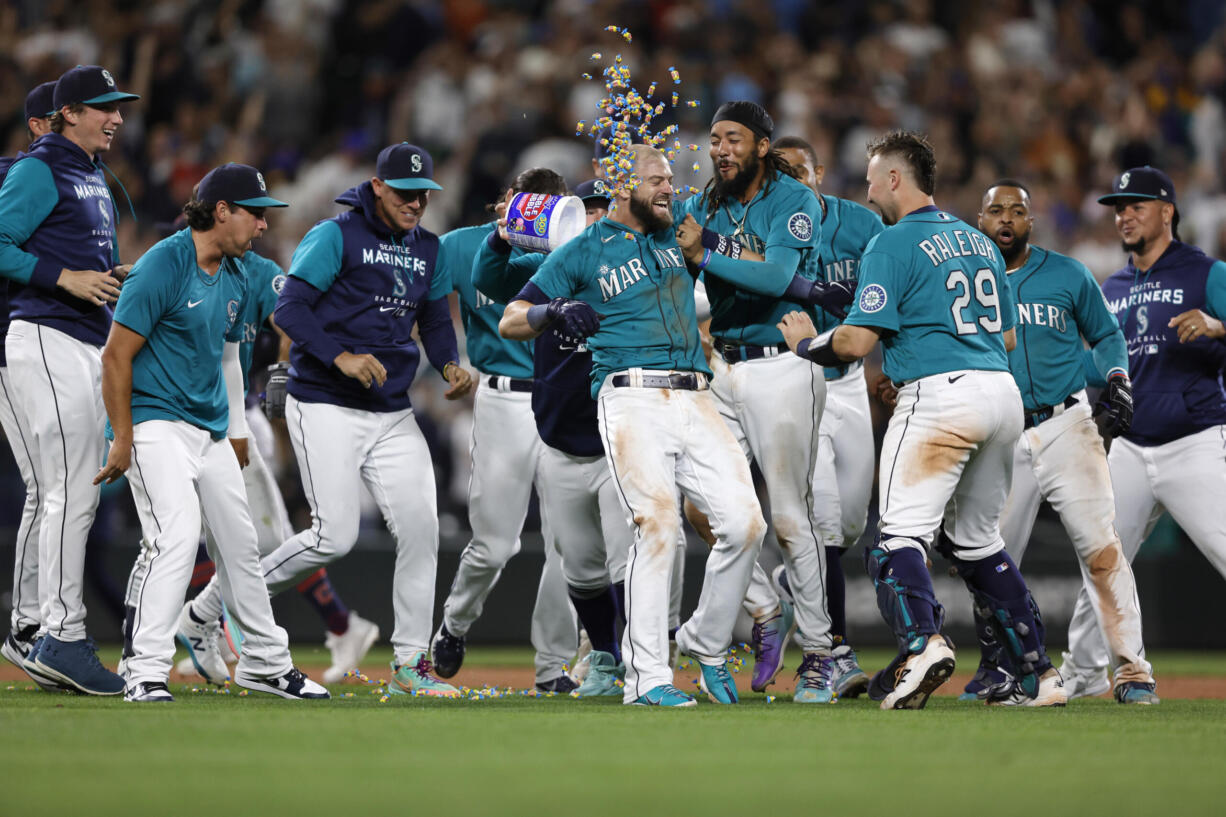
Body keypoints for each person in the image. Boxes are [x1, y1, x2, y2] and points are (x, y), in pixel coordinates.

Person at [778, 130, 1065, 708]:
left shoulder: (891, 242)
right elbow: (1006, 335)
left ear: (893, 179)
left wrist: (808, 345)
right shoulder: (976, 239)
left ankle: (921, 645)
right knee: (980, 542)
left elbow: (857, 341)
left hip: (939, 398)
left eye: (870, 180)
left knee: (895, 540)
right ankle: (1039, 674)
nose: (867, 192)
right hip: (1001, 394)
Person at [501, 144, 780, 707]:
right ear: (620, 185)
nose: (667, 189)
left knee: (747, 523)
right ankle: (648, 678)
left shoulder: (678, 226)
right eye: (655, 180)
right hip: (630, 398)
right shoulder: (583, 250)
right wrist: (550, 312)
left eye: (669, 180)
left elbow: (744, 258)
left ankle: (703, 639)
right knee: (654, 525)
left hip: (695, 394)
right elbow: (512, 319)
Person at [96, 163, 328, 703]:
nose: (264, 226)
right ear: (221, 211)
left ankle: (265, 663)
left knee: (240, 546)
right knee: (175, 537)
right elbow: (115, 356)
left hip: (208, 428)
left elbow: (290, 302)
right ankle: (144, 669)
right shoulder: (163, 264)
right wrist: (124, 437)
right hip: (154, 423)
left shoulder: (241, 269)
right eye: (256, 214)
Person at [258, 142, 473, 697]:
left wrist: (449, 364)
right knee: (333, 536)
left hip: (390, 408)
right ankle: (222, 604)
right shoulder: (337, 235)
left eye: (424, 194)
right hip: (325, 398)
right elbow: (289, 308)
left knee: (423, 529)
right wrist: (341, 356)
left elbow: (433, 318)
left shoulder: (430, 247)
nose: (416, 203)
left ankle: (409, 666)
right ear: (377, 186)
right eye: (405, 193)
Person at [963, 179, 1157, 704]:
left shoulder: (1067, 274)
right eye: (996, 210)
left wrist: (1117, 377)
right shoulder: (959, 281)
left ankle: (1133, 671)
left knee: (1101, 548)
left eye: (1017, 211)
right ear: (980, 220)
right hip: (998, 433)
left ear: (1032, 221)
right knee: (989, 558)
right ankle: (998, 671)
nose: (1006, 219)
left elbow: (1108, 335)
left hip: (1066, 425)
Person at [673, 101, 840, 704]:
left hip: (781, 366)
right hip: (725, 369)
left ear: (762, 147)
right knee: (695, 500)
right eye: (714, 139)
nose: (720, 149)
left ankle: (823, 655)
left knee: (792, 519)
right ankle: (767, 608)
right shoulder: (700, 205)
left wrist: (705, 253)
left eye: (734, 139)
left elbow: (774, 277)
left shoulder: (793, 200)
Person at [175, 235, 379, 686]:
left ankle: (206, 627)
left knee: (259, 542)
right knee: (225, 539)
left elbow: (289, 318)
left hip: (236, 417)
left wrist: (284, 370)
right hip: (197, 417)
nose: (263, 225)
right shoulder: (176, 268)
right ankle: (202, 630)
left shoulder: (256, 271)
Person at [0, 65, 138, 695]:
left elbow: (85, 265)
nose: (116, 116)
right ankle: (63, 635)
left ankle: (33, 629)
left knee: (49, 492)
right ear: (69, 112)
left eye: (118, 106)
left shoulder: (86, 172)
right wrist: (64, 278)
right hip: (47, 334)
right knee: (69, 491)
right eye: (104, 106)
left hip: (78, 338)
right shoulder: (41, 166)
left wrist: (113, 275)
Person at [1062, 166, 1226, 697]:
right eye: (1118, 207)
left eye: (1136, 204)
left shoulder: (1206, 273)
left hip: (1193, 440)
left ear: (1167, 211)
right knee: (1101, 556)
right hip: (1129, 446)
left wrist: (1220, 325)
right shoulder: (1111, 286)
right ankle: (1084, 673)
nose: (1124, 215)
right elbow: (1102, 368)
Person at [473, 177, 630, 697]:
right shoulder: (549, 269)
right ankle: (607, 661)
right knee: (582, 569)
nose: (593, 220)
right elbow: (498, 293)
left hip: (619, 441)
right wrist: (548, 307)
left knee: (632, 560)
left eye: (603, 211)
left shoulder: (634, 271)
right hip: (560, 439)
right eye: (586, 211)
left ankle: (646, 659)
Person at [430, 167, 579, 694]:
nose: (535, 215)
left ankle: (552, 667)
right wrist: (446, 360)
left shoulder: (574, 249)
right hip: (502, 399)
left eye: (548, 207)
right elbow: (422, 303)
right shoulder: (462, 245)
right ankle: (454, 624)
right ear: (509, 201)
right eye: (527, 203)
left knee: (568, 544)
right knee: (495, 544)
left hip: (563, 396)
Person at [770, 134, 883, 698]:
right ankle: (831, 650)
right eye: (781, 171)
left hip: (851, 383)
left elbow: (899, 288)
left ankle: (795, 583)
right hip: (798, 380)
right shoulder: (766, 225)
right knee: (827, 526)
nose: (792, 179)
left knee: (855, 524)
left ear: (819, 173)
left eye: (800, 169)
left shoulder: (860, 226)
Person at [0, 81, 62, 691]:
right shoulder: (20, 175)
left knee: (53, 485)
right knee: (46, 485)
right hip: (10, 347)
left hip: (34, 343)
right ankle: (25, 626)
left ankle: (37, 622)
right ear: (41, 126)